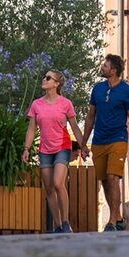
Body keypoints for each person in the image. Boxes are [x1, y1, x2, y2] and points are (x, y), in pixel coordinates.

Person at [81, 54, 129, 232]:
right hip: (99, 140)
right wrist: (83, 143)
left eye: (105, 65)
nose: (102, 67)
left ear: (113, 70)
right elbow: (91, 116)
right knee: (105, 181)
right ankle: (118, 217)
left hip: (118, 139)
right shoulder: (97, 89)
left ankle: (112, 221)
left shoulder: (127, 91)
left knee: (114, 177)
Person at [22, 69, 84, 233]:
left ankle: (65, 222)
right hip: (45, 149)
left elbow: (75, 127)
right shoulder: (37, 104)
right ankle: (57, 225)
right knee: (49, 188)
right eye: (44, 76)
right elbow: (31, 129)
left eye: (48, 78)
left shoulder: (66, 103)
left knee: (58, 183)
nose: (44, 79)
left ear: (56, 84)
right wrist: (26, 149)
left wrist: (83, 146)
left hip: (62, 146)